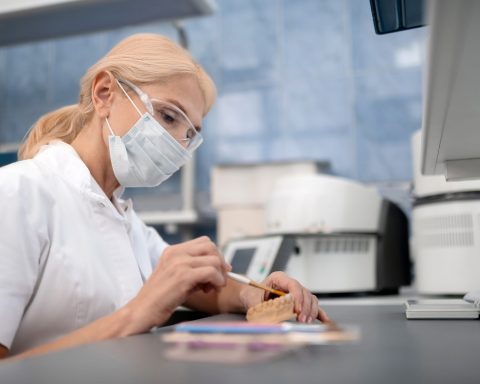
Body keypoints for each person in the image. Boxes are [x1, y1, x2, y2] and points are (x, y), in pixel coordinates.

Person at [0, 34, 328, 360]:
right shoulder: (17, 194)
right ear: (105, 94)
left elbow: (199, 287)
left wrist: (254, 295)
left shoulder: (124, 220)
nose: (176, 144)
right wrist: (136, 313)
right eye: (168, 117)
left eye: (188, 135)